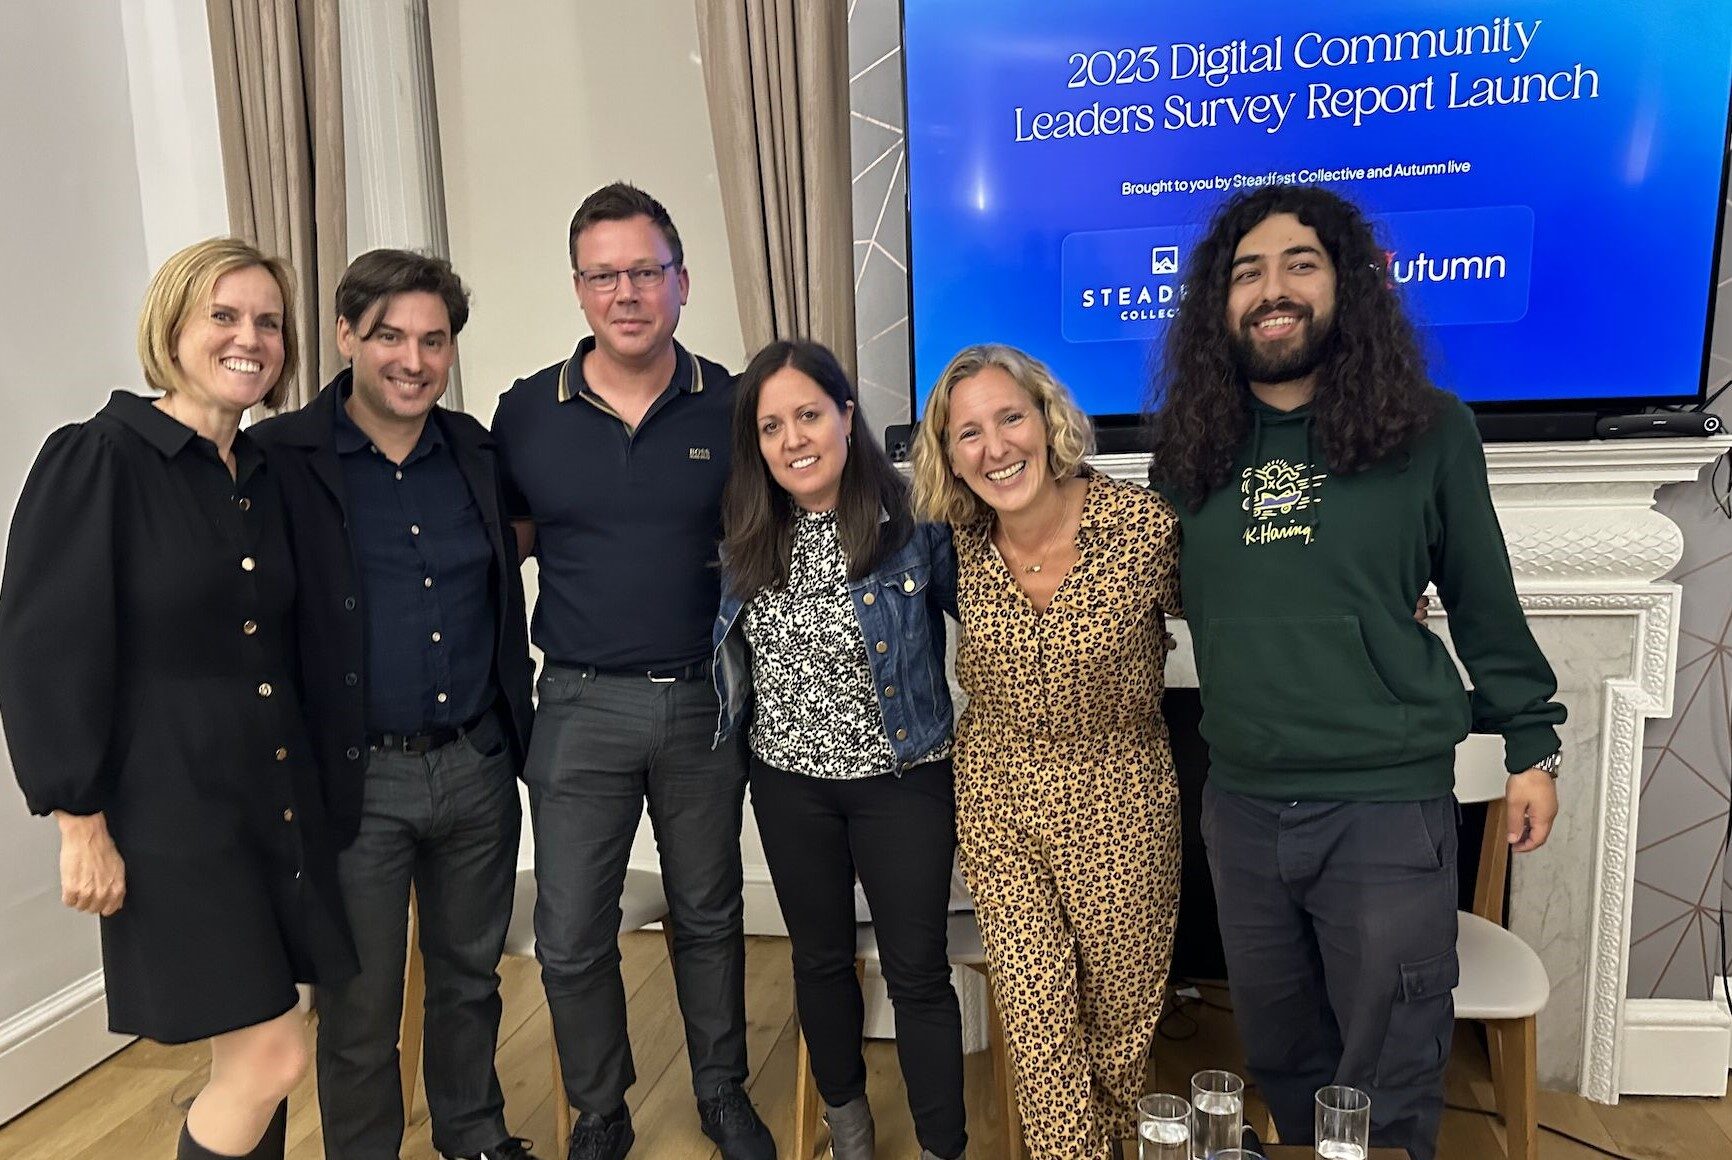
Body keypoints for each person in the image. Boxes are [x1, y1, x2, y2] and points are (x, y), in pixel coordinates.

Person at [1146, 184, 1566, 1160]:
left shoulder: (1429, 431)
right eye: (1246, 272)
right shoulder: (1190, 452)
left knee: (1388, 1068)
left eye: (1299, 263)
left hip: (1381, 807)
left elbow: (1482, 599)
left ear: (1347, 284)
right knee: (1286, 1055)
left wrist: (1530, 743)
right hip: (1242, 807)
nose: (1272, 289)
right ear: (1220, 303)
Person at [0, 237, 357, 1160]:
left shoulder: (266, 474)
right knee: (272, 1057)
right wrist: (78, 818)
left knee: (258, 1051)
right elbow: (45, 651)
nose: (252, 338)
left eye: (270, 322)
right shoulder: (98, 460)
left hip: (271, 801)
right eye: (225, 316)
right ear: (173, 326)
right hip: (173, 817)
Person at [491, 182, 774, 1160]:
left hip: (704, 699)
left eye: (644, 271)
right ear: (578, 289)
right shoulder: (525, 412)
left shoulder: (737, 403)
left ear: (680, 283)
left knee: (708, 911)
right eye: (604, 274)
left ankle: (721, 1089)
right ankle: (600, 1108)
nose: (625, 292)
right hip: (575, 705)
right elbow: (496, 548)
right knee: (570, 934)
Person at [250, 250, 536, 1160]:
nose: (412, 360)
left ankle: (474, 1136)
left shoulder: (479, 452)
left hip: (477, 766)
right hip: (355, 779)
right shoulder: (278, 459)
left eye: (434, 340)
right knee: (361, 1002)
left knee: (469, 979)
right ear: (345, 336)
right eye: (389, 337)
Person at [911, 344, 1183, 1160]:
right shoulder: (949, 546)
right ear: (949, 457)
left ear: (1047, 418)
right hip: (999, 795)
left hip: (1123, 798)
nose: (994, 448)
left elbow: (1249, 617)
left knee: (1119, 1024)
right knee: (1036, 1019)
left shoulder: (1143, 529)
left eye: (1009, 418)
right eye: (968, 434)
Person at [713, 340, 967, 1160]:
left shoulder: (916, 520)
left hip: (904, 781)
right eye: (772, 425)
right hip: (789, 786)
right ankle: (849, 1133)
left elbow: (997, 619)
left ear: (847, 417)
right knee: (820, 964)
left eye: (810, 415)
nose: (794, 439)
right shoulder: (747, 532)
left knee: (918, 970)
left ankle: (941, 1148)